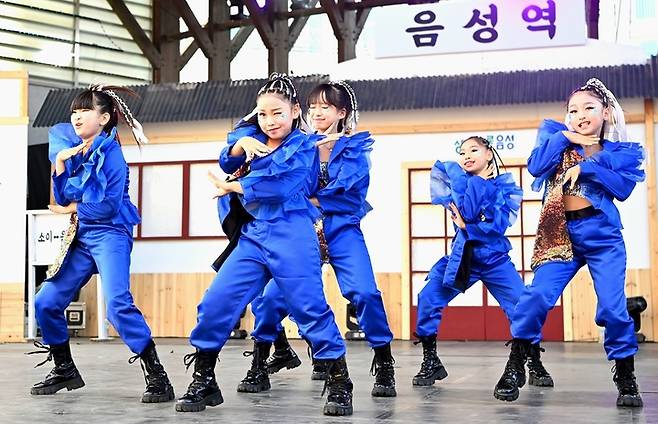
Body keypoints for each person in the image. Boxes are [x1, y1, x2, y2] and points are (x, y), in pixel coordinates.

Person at [175, 74, 353, 416]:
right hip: (254, 237)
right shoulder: (253, 139)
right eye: (262, 114)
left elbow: (284, 186)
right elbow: (227, 159)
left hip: (293, 233)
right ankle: (204, 379)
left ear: (295, 111)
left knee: (310, 308)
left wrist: (237, 188)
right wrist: (241, 146)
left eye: (277, 113)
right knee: (216, 303)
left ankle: (340, 381)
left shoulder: (305, 145)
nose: (270, 121)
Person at [493, 78, 644, 408]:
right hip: (560, 235)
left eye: (589, 108)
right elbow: (535, 166)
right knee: (535, 298)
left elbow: (622, 189)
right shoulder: (556, 139)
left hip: (602, 237)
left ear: (605, 112)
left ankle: (625, 374)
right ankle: (518, 361)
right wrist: (565, 137)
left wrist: (587, 167)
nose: (580, 114)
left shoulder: (615, 152)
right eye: (573, 110)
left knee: (613, 309)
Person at [244, 81, 396, 397]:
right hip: (301, 230)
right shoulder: (298, 144)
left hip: (341, 229)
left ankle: (384, 362)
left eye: (325, 107)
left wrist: (307, 199)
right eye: (313, 107)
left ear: (342, 112)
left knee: (364, 293)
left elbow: (351, 199)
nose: (317, 112)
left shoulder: (356, 148)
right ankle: (259, 364)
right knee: (271, 298)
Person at [32, 84, 174, 403]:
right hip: (82, 237)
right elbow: (65, 193)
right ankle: (64, 368)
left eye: (85, 110)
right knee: (46, 301)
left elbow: (108, 205)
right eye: (74, 111)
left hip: (110, 233)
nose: (77, 116)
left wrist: (73, 209)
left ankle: (157, 376)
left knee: (118, 305)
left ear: (105, 117)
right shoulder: (75, 149)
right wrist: (60, 165)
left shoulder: (111, 154)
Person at [413, 136, 552, 388]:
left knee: (523, 306)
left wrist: (469, 225)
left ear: (489, 154)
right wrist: (470, 214)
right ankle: (430, 361)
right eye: (462, 151)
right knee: (428, 297)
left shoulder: (503, 188)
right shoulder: (458, 183)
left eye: (473, 150)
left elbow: (496, 226)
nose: (466, 155)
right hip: (462, 256)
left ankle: (533, 361)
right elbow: (466, 213)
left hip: (494, 259)